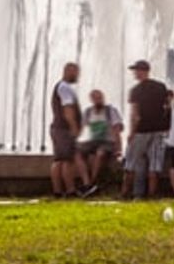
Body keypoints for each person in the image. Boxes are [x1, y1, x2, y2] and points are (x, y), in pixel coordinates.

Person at [126, 60, 173, 198]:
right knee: (155, 164)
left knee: (131, 162)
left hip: (142, 130)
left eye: (136, 70)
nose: (135, 73)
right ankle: (152, 194)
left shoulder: (135, 90)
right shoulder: (161, 86)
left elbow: (135, 115)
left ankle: (126, 192)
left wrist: (131, 133)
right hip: (159, 130)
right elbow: (168, 106)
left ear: (143, 71)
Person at [50, 62, 91, 198]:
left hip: (58, 128)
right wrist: (74, 128)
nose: (78, 75)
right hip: (64, 129)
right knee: (67, 160)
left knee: (59, 160)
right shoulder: (65, 88)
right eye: (76, 72)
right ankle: (70, 190)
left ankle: (57, 191)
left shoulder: (61, 87)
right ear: (68, 71)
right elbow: (68, 110)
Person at [80, 88, 124, 189]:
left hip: (108, 141)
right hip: (93, 141)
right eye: (95, 98)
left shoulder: (110, 110)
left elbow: (116, 130)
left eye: (100, 97)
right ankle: (86, 181)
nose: (98, 100)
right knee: (76, 152)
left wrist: (119, 149)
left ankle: (92, 181)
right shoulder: (88, 112)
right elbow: (80, 129)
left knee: (100, 153)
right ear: (91, 100)